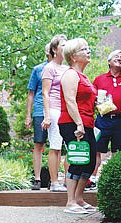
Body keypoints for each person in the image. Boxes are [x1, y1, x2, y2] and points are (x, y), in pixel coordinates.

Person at [58, 38, 97, 214]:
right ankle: (70, 202)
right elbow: (70, 100)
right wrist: (79, 124)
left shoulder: (84, 77)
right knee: (77, 161)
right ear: (74, 56)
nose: (88, 51)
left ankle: (79, 199)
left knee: (89, 164)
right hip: (72, 123)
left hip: (87, 123)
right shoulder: (70, 74)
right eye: (84, 49)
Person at [92, 49, 121, 180]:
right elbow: (92, 98)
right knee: (96, 149)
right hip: (103, 119)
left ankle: (117, 178)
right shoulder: (99, 79)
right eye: (116, 56)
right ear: (109, 61)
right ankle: (92, 179)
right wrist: (97, 102)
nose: (120, 58)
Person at [41, 34, 69, 192]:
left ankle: (68, 180)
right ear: (54, 49)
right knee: (56, 146)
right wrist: (47, 116)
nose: (65, 48)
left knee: (70, 146)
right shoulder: (49, 68)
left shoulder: (67, 69)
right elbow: (45, 93)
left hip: (67, 110)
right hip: (54, 110)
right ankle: (54, 182)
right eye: (63, 45)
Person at [25, 43, 52, 190]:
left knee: (55, 145)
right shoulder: (37, 69)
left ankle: (53, 179)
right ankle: (37, 179)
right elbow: (31, 94)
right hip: (40, 112)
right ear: (47, 51)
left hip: (56, 111)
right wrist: (28, 116)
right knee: (39, 144)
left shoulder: (62, 69)